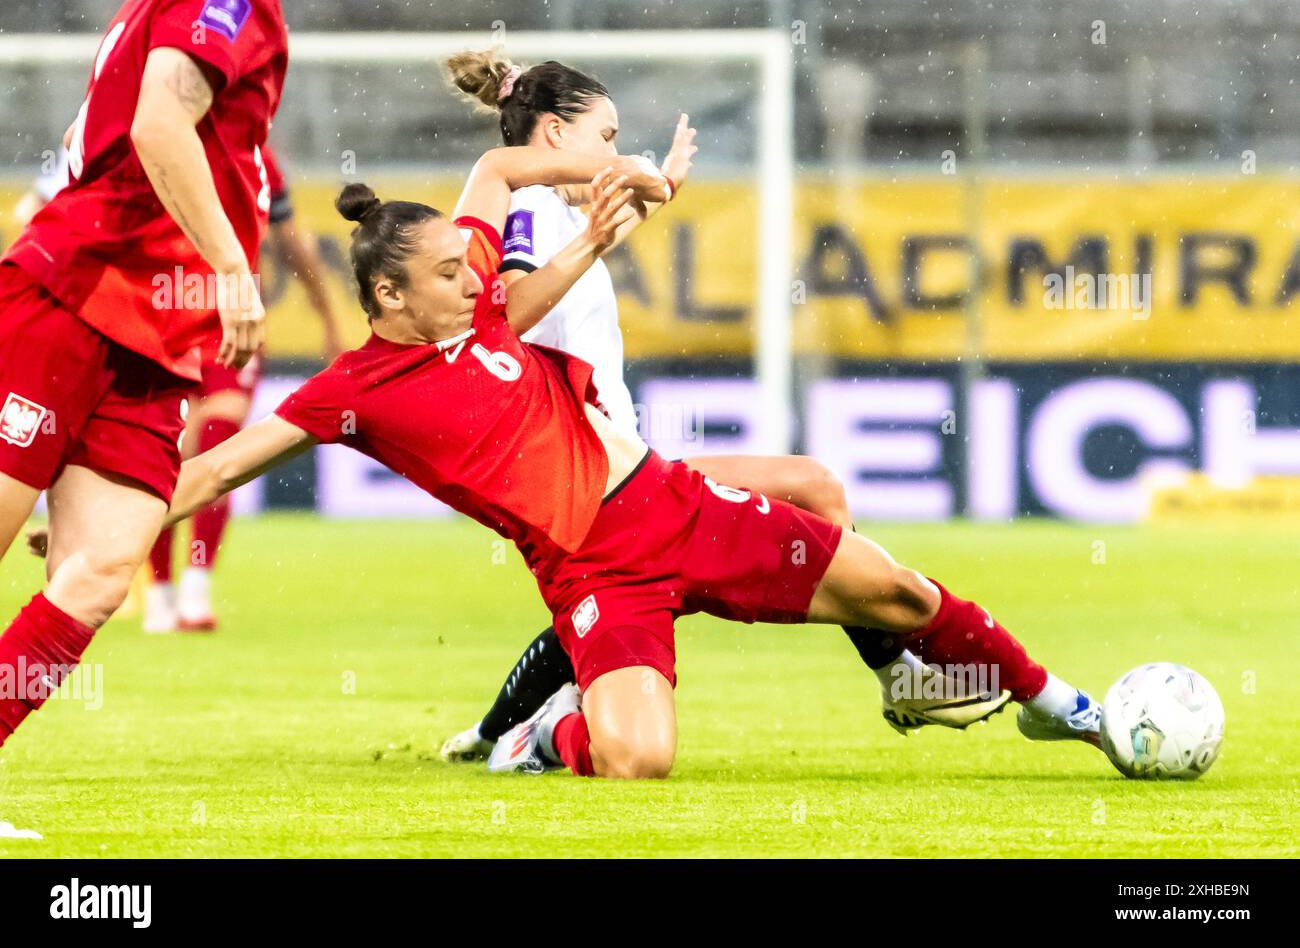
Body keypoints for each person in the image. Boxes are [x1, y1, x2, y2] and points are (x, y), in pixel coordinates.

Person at [155, 162, 1103, 781]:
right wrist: (110, 528)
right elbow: (215, 469)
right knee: (638, 761)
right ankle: (539, 737)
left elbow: (498, 168)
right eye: (450, 272)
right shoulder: (351, 389)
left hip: (676, 504)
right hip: (594, 572)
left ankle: (1069, 710)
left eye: (468, 261)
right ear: (388, 294)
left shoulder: (478, 304)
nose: (476, 278)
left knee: (895, 591)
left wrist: (603, 187)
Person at [437, 51, 1008, 763]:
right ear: (552, 135)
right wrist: (612, 216)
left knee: (615, 602)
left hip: (617, 471)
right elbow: (510, 312)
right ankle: (896, 673)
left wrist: (659, 186)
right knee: (807, 492)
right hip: (593, 475)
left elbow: (609, 226)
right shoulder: (529, 210)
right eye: (606, 136)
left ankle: (496, 734)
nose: (615, 151)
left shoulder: (555, 212)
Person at [0, 0, 288, 752]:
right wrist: (230, 263)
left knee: (100, 568)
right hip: (75, 296)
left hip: (153, 340)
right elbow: (158, 120)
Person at [144, 145, 344, 632]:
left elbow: (292, 241)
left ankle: (196, 588)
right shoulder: (152, 139)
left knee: (217, 445)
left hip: (230, 322)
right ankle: (161, 591)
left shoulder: (258, 158)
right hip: (161, 318)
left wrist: (326, 314)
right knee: (164, 454)